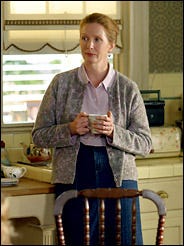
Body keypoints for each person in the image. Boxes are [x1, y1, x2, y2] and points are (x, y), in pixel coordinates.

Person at [32, 12, 152, 245]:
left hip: (119, 177)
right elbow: (38, 135)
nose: (90, 45)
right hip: (74, 173)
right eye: (85, 38)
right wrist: (70, 129)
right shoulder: (61, 84)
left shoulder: (128, 88)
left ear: (111, 45)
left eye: (97, 39)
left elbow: (145, 143)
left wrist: (114, 132)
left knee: (124, 240)